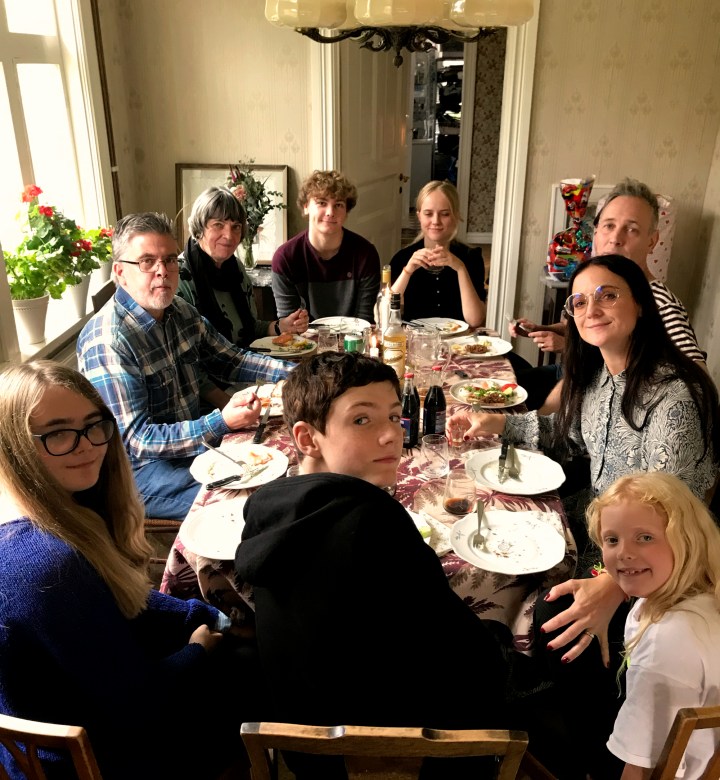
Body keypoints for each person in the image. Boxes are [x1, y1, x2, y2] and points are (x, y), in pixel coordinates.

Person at [234, 352, 575, 778]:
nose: (390, 435)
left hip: (304, 739)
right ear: (307, 438)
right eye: (362, 420)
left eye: (395, 417)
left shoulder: (267, 504)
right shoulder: (373, 524)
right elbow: (460, 648)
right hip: (385, 748)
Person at [0, 361, 254, 780]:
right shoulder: (43, 563)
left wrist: (210, 617)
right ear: (13, 445)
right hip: (93, 759)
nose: (86, 445)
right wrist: (197, 651)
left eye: (93, 425)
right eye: (58, 433)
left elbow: (116, 602)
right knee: (252, 680)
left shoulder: (52, 514)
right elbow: (137, 706)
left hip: (95, 711)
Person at [77, 212, 294, 520]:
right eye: (147, 261)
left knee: (281, 471)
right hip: (137, 473)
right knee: (249, 504)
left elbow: (232, 360)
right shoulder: (109, 341)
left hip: (193, 448)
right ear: (120, 273)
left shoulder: (179, 311)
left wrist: (299, 374)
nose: (162, 271)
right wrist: (221, 422)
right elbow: (138, 440)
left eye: (169, 260)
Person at [512, 178, 706, 411]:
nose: (615, 238)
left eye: (632, 229)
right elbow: (586, 330)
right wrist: (543, 329)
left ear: (652, 241)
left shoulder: (660, 303)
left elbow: (699, 386)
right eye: (609, 226)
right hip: (575, 378)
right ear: (596, 233)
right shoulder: (596, 286)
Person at [587, 472, 720, 778]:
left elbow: (642, 768)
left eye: (645, 537)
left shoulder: (665, 642)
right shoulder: (709, 592)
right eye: (612, 540)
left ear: (685, 539)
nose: (624, 553)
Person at [177, 185, 308, 347]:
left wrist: (281, 326)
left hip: (242, 358)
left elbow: (250, 328)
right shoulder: (180, 275)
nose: (229, 235)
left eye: (236, 227)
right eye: (218, 224)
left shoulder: (236, 268)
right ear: (199, 228)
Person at [271, 170, 380, 322]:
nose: (330, 212)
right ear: (306, 206)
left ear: (346, 212)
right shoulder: (285, 258)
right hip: (303, 337)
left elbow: (364, 320)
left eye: (338, 205)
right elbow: (290, 325)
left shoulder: (366, 254)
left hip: (354, 336)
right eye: (322, 203)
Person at [390, 180, 487, 327]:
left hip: (459, 340)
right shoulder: (402, 258)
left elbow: (475, 320)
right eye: (428, 214)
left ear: (456, 216)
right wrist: (407, 272)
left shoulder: (471, 257)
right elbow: (385, 317)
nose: (436, 221)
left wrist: (460, 268)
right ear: (419, 216)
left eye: (445, 214)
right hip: (414, 338)